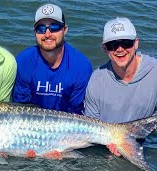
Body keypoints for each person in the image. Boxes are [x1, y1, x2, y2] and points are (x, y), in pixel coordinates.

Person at [84, 17, 157, 155]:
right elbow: (91, 129)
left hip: (145, 144)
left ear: (136, 43)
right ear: (105, 48)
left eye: (126, 43)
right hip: (106, 147)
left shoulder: (155, 72)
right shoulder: (96, 80)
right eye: (112, 45)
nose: (120, 49)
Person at [12, 3, 93, 115]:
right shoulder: (23, 61)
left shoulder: (82, 66)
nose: (47, 34)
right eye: (41, 28)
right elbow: (21, 106)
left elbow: (76, 110)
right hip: (31, 124)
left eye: (54, 27)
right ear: (34, 32)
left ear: (65, 30)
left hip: (68, 125)